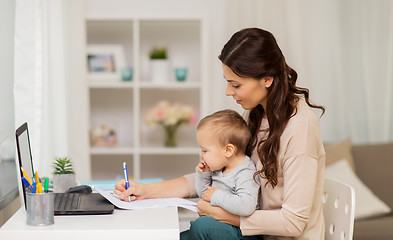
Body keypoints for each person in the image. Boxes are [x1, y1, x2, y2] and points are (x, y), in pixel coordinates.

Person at [114, 27, 326, 240]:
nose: (228, 91)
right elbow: (217, 172)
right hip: (256, 234)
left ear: (267, 79)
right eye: (228, 82)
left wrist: (225, 216)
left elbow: (294, 223)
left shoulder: (300, 128)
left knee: (201, 229)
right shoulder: (257, 114)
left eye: (236, 84)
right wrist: (144, 190)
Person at [181, 109, 260, 239]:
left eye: (205, 150)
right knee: (181, 236)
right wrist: (204, 175)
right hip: (221, 225)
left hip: (242, 233)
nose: (201, 154)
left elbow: (246, 206)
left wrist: (216, 195)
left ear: (228, 150)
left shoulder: (245, 172)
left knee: (201, 226)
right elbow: (204, 195)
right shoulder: (219, 168)